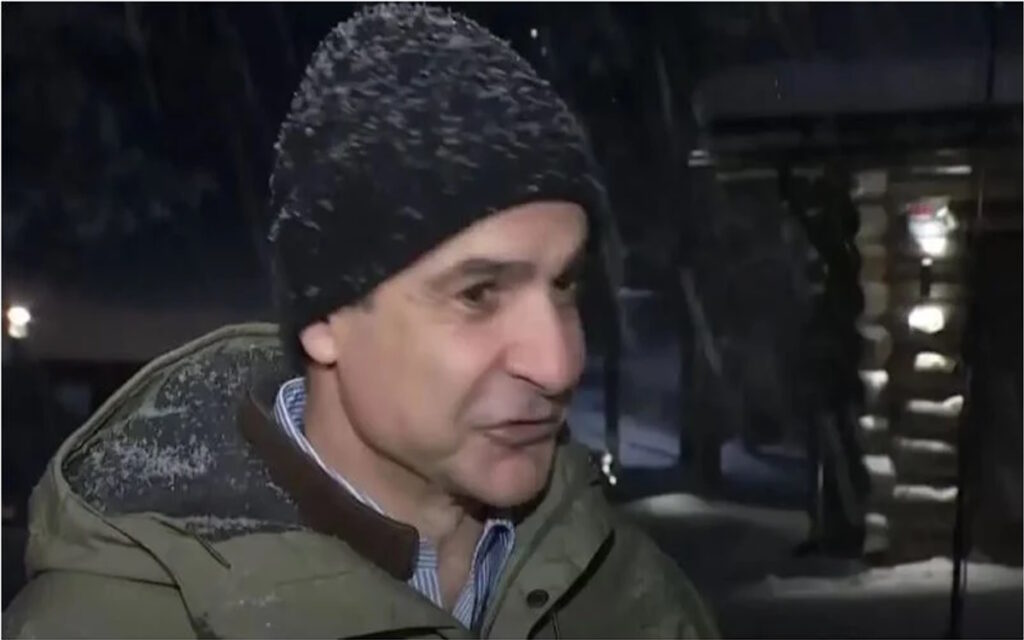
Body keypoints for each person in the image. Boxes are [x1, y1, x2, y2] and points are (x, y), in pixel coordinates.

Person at [3, 5, 718, 638]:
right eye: (478, 294)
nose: (557, 363)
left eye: (562, 285)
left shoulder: (632, 595)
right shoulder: (110, 623)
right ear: (323, 317)